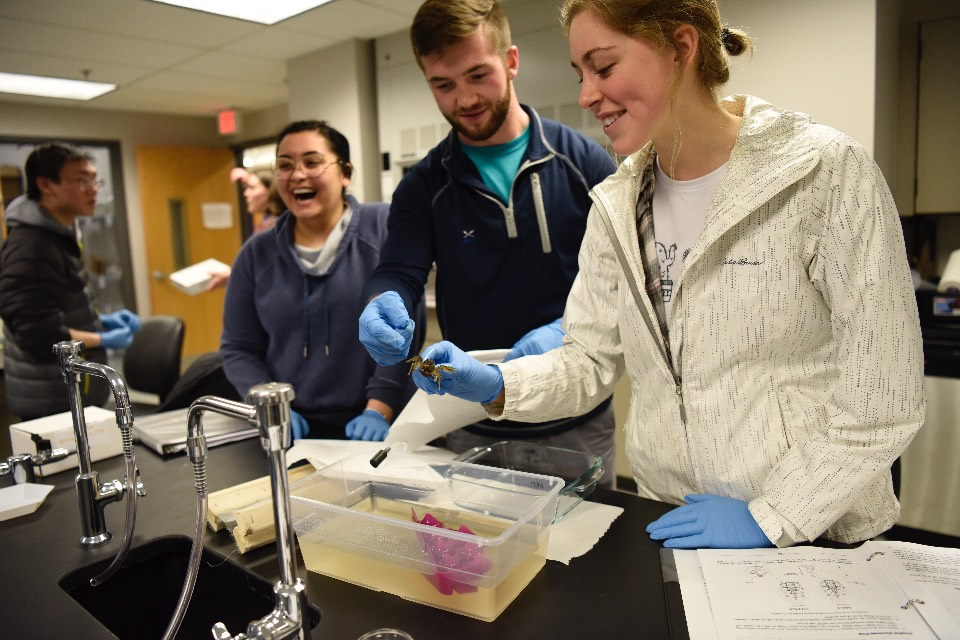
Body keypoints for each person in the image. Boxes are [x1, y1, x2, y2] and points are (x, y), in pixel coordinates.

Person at [405, 0, 926, 550]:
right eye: (580, 73)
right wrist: (497, 384)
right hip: (674, 522)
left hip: (815, 533)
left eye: (603, 67)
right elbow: (588, 361)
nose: (586, 95)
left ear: (681, 47)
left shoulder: (822, 172)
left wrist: (773, 515)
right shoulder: (617, 204)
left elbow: (884, 396)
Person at [358, 0, 618, 481]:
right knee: (480, 552)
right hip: (474, 423)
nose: (465, 99)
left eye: (478, 75)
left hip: (577, 421)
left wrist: (567, 328)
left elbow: (623, 279)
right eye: (444, 84)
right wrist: (383, 300)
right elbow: (400, 269)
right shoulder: (424, 186)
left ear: (512, 61)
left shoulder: (585, 164)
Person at [220, 120, 422, 441]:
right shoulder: (256, 254)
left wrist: (378, 408)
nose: (298, 174)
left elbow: (404, 328)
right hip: (291, 426)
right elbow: (239, 348)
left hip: (383, 417)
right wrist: (270, 404)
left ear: (345, 173)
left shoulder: (383, 228)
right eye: (285, 165)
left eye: (312, 162)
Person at [0, 142, 141, 420]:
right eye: (81, 180)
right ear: (46, 184)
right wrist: (102, 338)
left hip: (70, 391)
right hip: (52, 399)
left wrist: (100, 321)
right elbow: (38, 333)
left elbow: (59, 305)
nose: (93, 188)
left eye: (94, 179)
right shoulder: (32, 246)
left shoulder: (57, 234)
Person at [206, 168, 286, 291]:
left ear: (272, 191)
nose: (246, 193)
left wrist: (232, 275)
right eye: (246, 188)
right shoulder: (268, 220)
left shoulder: (276, 227)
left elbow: (269, 273)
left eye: (252, 188)